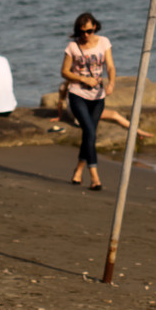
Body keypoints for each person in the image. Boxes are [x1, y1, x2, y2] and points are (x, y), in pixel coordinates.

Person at [60, 12, 116, 190]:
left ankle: (78, 170)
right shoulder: (73, 47)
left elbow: (110, 66)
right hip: (78, 95)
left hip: (98, 97)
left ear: (95, 28)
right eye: (82, 31)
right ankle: (95, 177)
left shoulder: (104, 42)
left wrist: (111, 83)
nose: (86, 35)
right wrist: (83, 79)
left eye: (89, 31)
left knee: (88, 135)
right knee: (91, 133)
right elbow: (64, 71)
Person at [54, 83, 152, 139]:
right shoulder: (78, 85)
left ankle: (137, 131)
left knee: (112, 114)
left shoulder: (66, 86)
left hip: (76, 113)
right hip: (82, 114)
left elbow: (60, 102)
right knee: (114, 114)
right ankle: (138, 131)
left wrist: (60, 116)